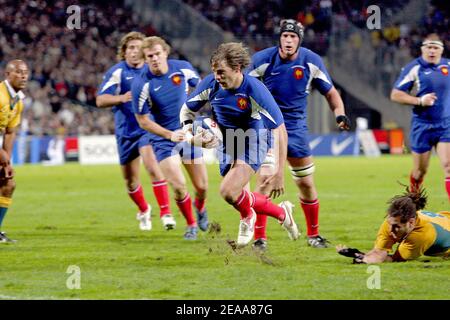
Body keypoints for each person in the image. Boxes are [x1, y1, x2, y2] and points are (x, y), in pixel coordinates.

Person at [180, 42, 299, 247]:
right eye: (214, 72)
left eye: (221, 72)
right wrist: (191, 137)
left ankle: (247, 217)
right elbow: (186, 111)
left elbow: (280, 129)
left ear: (237, 68)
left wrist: (279, 172)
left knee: (228, 191)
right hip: (229, 141)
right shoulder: (211, 85)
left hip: (255, 139)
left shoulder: (254, 90)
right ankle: (281, 212)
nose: (217, 77)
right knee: (236, 194)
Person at [248, 19, 350, 249]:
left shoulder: (311, 61)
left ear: (299, 40)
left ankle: (313, 236)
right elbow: (242, 86)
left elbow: (331, 92)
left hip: (296, 129)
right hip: (267, 127)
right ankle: (259, 239)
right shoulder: (262, 60)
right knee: (264, 180)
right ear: (279, 39)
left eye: (293, 37)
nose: (288, 40)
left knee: (305, 182)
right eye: (285, 36)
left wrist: (340, 114)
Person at [131, 36, 209, 240]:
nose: (154, 59)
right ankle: (191, 224)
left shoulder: (182, 68)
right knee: (179, 185)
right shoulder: (141, 83)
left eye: (157, 54)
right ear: (146, 59)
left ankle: (200, 207)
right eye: (150, 56)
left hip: (189, 134)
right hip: (164, 140)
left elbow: (202, 90)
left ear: (165, 52)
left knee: (201, 186)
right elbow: (143, 121)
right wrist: (169, 134)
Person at [96, 31, 172, 232]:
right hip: (125, 132)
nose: (134, 51)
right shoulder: (118, 72)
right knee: (130, 181)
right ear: (124, 51)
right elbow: (100, 100)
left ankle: (166, 213)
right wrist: (121, 98)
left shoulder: (151, 71)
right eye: (130, 48)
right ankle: (144, 209)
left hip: (146, 128)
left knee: (152, 166)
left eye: (139, 48)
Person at [390, 33, 450, 201]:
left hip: (445, 125)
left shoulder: (448, 66)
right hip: (422, 126)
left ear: (441, 50)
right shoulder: (414, 68)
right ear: (422, 49)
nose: (432, 51)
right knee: (419, 172)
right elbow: (395, 94)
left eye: (435, 47)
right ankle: (413, 204)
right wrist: (419, 101)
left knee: (448, 166)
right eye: (428, 47)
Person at [337, 187, 450, 263]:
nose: (391, 230)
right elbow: (379, 253)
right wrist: (360, 255)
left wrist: (364, 258)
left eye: (396, 227)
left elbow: (394, 260)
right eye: (390, 224)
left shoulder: (421, 235)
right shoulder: (391, 222)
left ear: (411, 222)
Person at [0, 59, 29, 243]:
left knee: (8, 184)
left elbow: (10, 132)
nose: (23, 75)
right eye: (18, 71)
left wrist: (6, 162)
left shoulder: (18, 101)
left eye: (25, 72)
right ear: (7, 74)